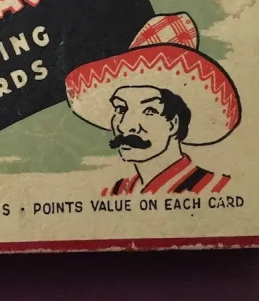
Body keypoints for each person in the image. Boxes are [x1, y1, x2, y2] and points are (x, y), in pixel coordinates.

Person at [64, 12, 242, 195]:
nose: (126, 125)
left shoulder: (212, 189)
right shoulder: (116, 193)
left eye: (149, 110)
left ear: (174, 123)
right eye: (121, 108)